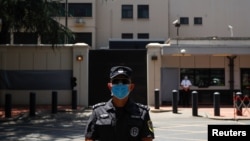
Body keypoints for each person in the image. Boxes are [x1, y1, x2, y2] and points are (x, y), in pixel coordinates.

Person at [84, 66, 155, 141]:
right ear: (110, 86)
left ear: (131, 87)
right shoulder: (98, 112)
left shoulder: (142, 113)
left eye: (125, 82)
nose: (120, 85)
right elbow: (89, 138)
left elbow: (147, 139)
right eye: (116, 81)